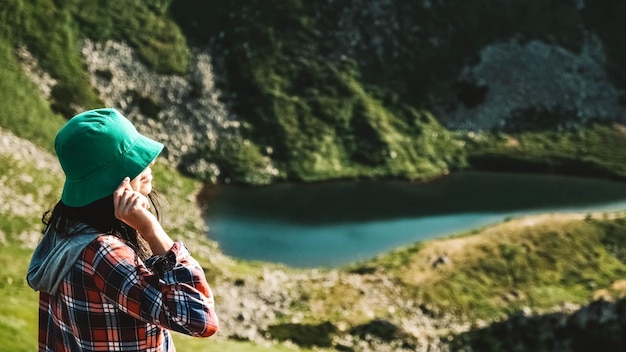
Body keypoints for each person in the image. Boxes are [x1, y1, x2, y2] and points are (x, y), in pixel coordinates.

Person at [27, 108, 219, 351]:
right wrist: (150, 228)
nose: (151, 162)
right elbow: (200, 319)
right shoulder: (105, 254)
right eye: (136, 158)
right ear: (111, 179)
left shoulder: (65, 232)